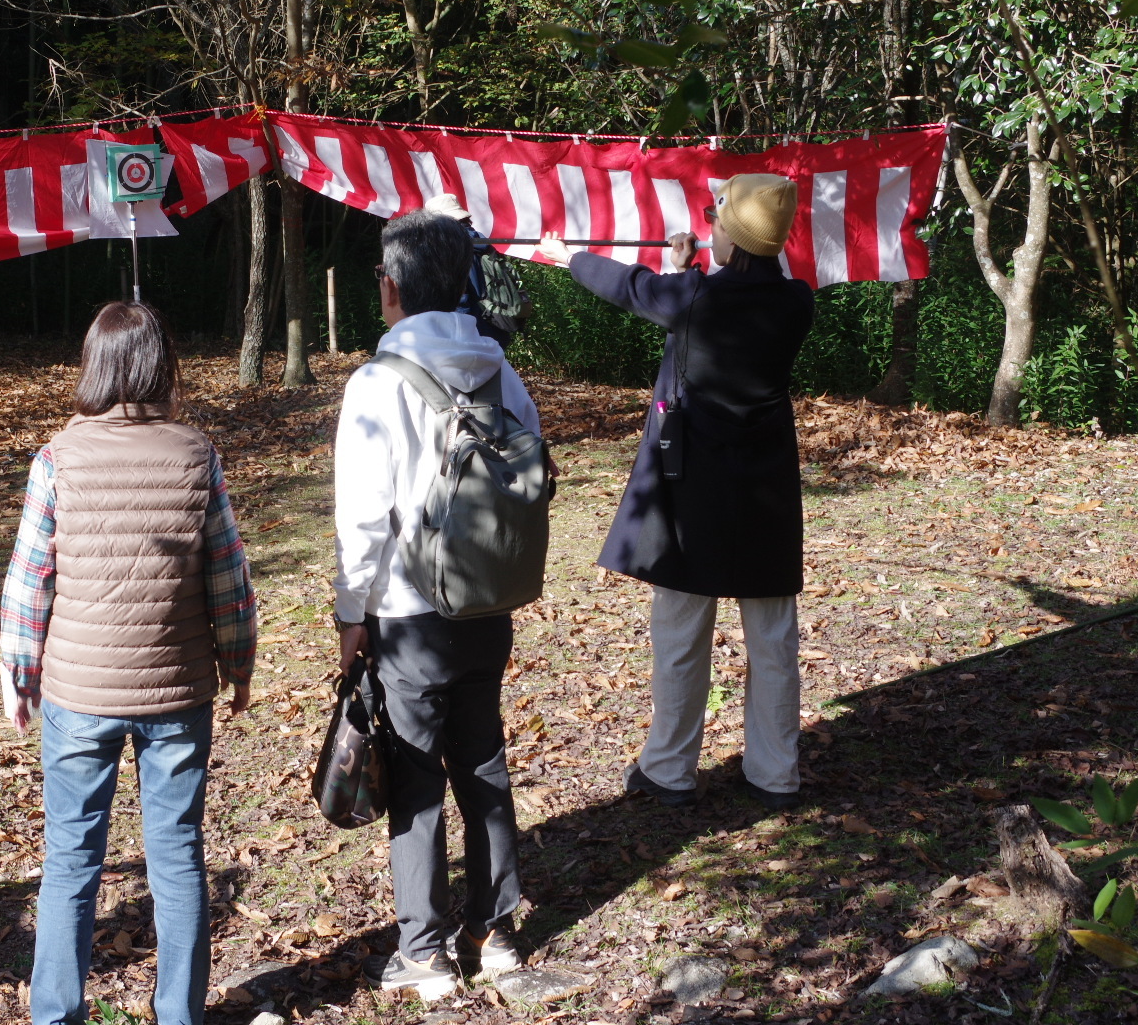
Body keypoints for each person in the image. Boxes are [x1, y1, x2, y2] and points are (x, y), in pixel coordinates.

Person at [0, 301, 256, 1025]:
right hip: (178, 695)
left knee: (71, 863)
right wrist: (240, 665)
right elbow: (228, 579)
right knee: (177, 860)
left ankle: (56, 1016)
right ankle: (180, 1014)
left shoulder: (56, 458)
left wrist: (21, 676)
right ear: (159, 366)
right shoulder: (196, 454)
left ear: (95, 367)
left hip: (78, 695)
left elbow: (30, 580)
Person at [538, 174, 813, 811]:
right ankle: (776, 774)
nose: (709, 226)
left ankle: (669, 769)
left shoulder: (694, 295)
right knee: (773, 639)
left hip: (695, 492)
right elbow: (707, 305)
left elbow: (632, 288)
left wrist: (566, 256)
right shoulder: (797, 301)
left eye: (719, 220)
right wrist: (690, 266)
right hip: (766, 491)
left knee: (681, 634)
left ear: (733, 238)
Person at [332, 208, 542, 1001]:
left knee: (416, 774)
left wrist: (352, 616)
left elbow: (361, 519)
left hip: (408, 614)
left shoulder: (377, 385)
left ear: (390, 288)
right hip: (488, 602)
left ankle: (423, 953)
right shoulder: (499, 371)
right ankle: (496, 933)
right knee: (483, 759)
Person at [422, 192, 528, 347]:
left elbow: (460, 297)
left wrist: (459, 335)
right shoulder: (480, 241)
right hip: (495, 325)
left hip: (472, 332)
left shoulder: (451, 247)